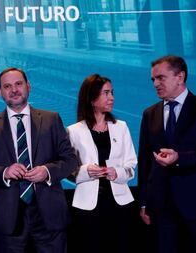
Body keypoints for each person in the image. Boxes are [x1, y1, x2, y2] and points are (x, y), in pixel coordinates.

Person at [0, 67, 77, 253]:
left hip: (49, 214)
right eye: (7, 86)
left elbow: (69, 160)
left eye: (18, 84)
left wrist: (47, 171)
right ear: (0, 92)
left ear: (28, 86)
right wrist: (4, 172)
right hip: (8, 217)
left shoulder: (51, 119)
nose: (14, 90)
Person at [138, 55, 196, 253]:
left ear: (180, 77)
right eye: (153, 79)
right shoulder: (149, 113)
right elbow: (144, 162)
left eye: (160, 78)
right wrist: (144, 202)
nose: (155, 84)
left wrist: (180, 158)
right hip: (161, 206)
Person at [67, 74, 137, 253]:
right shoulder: (74, 131)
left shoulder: (121, 127)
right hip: (88, 206)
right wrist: (86, 171)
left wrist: (117, 173)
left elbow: (131, 166)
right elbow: (68, 171)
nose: (111, 97)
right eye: (106, 93)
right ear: (91, 98)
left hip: (120, 203)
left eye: (112, 92)